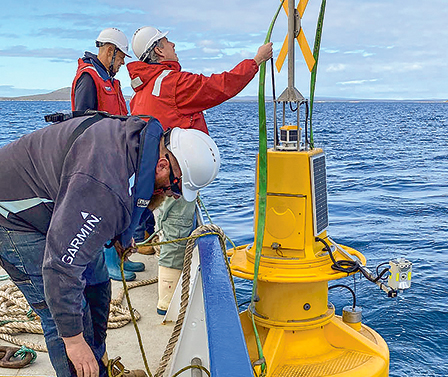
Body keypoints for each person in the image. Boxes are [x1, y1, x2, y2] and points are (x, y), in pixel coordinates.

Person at [0, 112, 220, 377]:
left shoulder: (142, 142)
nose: (171, 195)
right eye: (173, 188)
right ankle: (81, 364)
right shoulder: (104, 189)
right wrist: (74, 341)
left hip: (60, 205)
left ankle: (100, 365)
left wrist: (122, 237)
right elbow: (60, 268)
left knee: (98, 285)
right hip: (13, 217)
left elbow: (135, 192)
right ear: (163, 165)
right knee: (65, 316)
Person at [126, 26, 272, 314]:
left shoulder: (142, 90)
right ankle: (168, 304)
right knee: (177, 229)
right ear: (158, 50)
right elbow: (219, 86)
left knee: (169, 225)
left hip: (153, 174)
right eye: (168, 42)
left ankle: (175, 288)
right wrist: (255, 62)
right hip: (176, 174)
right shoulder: (172, 82)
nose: (174, 44)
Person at [71, 27, 146, 281]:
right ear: (110, 51)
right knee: (103, 210)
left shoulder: (110, 81)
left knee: (119, 207)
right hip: (98, 158)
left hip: (116, 156)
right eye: (122, 57)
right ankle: (107, 260)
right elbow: (81, 120)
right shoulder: (89, 78)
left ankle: (120, 257)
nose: (123, 63)